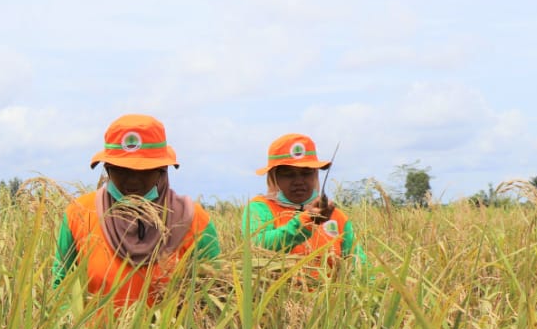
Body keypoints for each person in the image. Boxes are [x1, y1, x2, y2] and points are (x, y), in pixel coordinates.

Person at [53, 114, 221, 309]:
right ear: (107, 168)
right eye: (121, 170)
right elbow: (61, 287)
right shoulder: (79, 214)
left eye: (144, 170)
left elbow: (214, 292)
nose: (133, 180)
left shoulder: (193, 220)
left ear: (162, 170)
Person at [242, 132, 365, 267]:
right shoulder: (260, 209)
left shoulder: (336, 217)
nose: (299, 181)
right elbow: (257, 245)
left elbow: (359, 264)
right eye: (288, 174)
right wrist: (305, 222)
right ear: (273, 177)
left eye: (306, 173)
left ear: (315, 174)